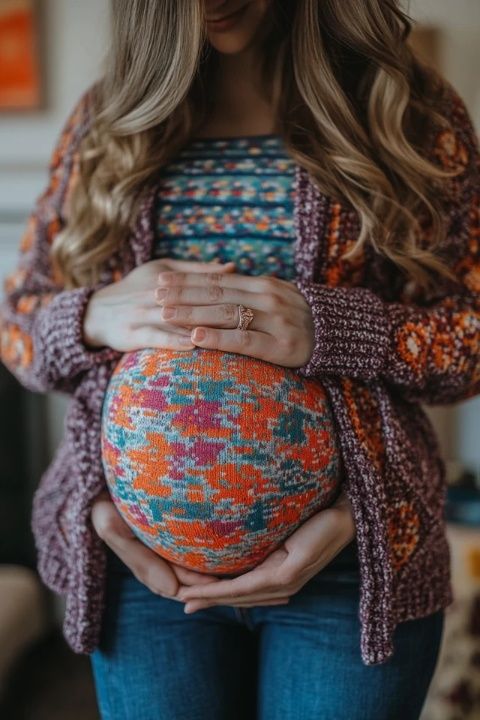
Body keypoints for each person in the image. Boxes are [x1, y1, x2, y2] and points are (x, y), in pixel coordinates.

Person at [1, 0, 479, 718]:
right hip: (143, 574)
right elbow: (17, 326)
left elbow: (470, 336)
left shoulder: (402, 109)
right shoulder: (108, 122)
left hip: (353, 563)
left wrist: (333, 330)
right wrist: (95, 315)